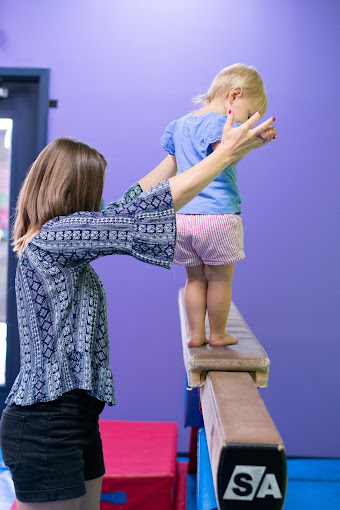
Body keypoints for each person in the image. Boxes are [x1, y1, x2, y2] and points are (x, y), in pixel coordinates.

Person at [0, 111, 276, 510]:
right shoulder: (55, 238)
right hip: (45, 422)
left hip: (77, 416)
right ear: (73, 192)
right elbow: (134, 216)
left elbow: (131, 204)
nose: (101, 199)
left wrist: (183, 151)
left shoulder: (68, 238)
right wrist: (222, 159)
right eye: (96, 190)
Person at [161, 63, 275, 347]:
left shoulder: (180, 124)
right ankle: (217, 334)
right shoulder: (220, 124)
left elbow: (175, 163)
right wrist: (252, 144)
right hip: (218, 217)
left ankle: (195, 334)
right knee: (220, 281)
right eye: (248, 115)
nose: (245, 124)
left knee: (194, 280)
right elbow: (226, 155)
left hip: (184, 218)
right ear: (234, 96)